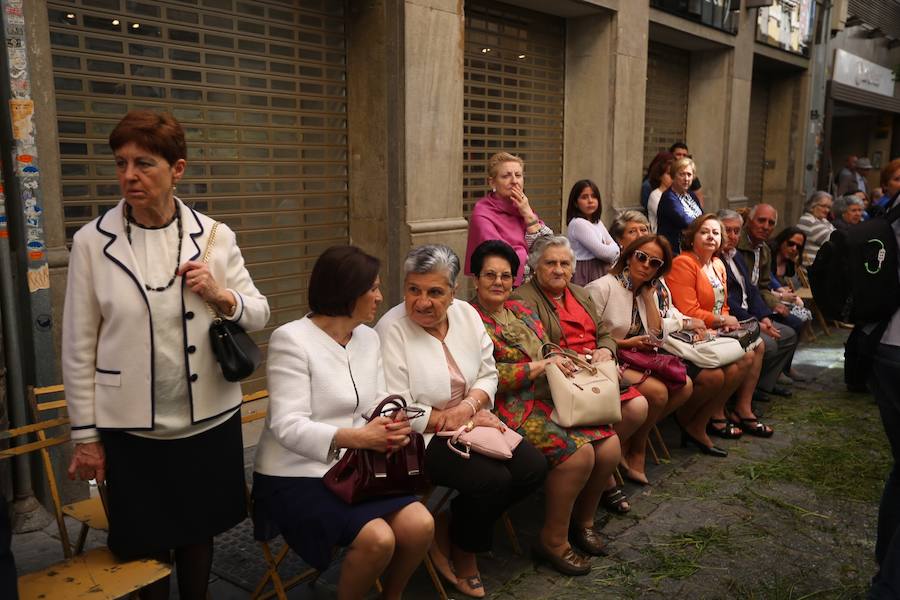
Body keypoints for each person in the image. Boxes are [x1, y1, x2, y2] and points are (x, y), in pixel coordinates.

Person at [62, 110, 271, 598]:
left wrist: (223, 296)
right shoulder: (93, 243)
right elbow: (78, 345)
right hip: (132, 429)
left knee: (199, 534)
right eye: (121, 163)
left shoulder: (215, 236)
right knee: (146, 545)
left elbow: (258, 313)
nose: (129, 176)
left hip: (208, 421)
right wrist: (86, 436)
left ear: (177, 169)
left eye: (144, 164)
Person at [252, 246, 434, 599]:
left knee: (420, 525)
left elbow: (379, 400)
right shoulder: (291, 339)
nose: (380, 297)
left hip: (354, 469)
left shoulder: (367, 337)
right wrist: (359, 437)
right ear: (347, 291)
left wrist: (393, 423)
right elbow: (287, 426)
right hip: (294, 474)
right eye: (374, 289)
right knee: (378, 538)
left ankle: (391, 595)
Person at [377, 245, 547, 598]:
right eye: (413, 290)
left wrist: (469, 407)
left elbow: (488, 374)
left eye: (435, 292)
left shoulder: (467, 315)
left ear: (454, 292)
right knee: (492, 480)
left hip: (471, 420)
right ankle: (465, 552)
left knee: (532, 467)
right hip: (418, 437)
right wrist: (443, 418)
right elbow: (393, 405)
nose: (422, 302)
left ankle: (451, 525)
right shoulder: (391, 329)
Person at [469, 240, 621, 576]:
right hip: (508, 409)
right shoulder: (469, 320)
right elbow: (481, 379)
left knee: (610, 446)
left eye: (505, 276)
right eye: (490, 275)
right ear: (475, 279)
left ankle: (582, 523)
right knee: (579, 454)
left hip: (549, 396)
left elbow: (547, 348)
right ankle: (552, 540)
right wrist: (539, 367)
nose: (498, 282)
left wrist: (563, 359)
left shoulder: (521, 310)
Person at [513, 236, 647, 514]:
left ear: (573, 268)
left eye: (564, 263)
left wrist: (606, 351)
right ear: (536, 266)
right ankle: (603, 478)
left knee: (638, 407)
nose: (558, 270)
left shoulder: (580, 292)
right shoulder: (523, 298)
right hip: (562, 382)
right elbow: (537, 347)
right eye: (550, 263)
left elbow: (604, 333)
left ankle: (599, 472)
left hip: (594, 372)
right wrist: (571, 359)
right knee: (610, 421)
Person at [586, 235, 694, 483]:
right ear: (629, 255)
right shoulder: (602, 287)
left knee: (685, 386)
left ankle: (631, 441)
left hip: (638, 358)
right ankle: (637, 448)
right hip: (608, 358)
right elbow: (589, 339)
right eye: (641, 257)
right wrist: (627, 343)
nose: (646, 265)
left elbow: (657, 338)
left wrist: (647, 296)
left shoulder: (648, 291)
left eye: (654, 263)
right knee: (657, 393)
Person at [666, 214, 769, 455]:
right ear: (692, 237)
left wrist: (725, 324)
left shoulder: (718, 264)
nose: (711, 237)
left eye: (715, 233)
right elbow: (686, 309)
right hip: (690, 332)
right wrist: (721, 320)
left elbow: (721, 304)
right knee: (723, 373)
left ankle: (701, 421)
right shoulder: (684, 263)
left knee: (747, 356)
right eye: (704, 232)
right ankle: (691, 418)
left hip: (713, 331)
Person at [718, 210, 798, 411]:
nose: (733, 236)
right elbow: (727, 300)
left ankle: (761, 386)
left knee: (789, 335)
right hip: (733, 318)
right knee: (767, 344)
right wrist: (756, 321)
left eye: (736, 231)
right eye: (728, 231)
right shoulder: (717, 259)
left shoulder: (735, 256)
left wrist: (764, 316)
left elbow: (752, 289)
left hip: (750, 314)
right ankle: (739, 396)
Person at [465, 152, 553, 286]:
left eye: (518, 175)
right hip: (501, 287)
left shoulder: (522, 207)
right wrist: (533, 260)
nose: (514, 181)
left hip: (535, 286)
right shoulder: (482, 213)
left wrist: (528, 213)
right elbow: (501, 257)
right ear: (492, 182)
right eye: (506, 176)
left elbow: (548, 247)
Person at [565, 179, 619, 285]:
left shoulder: (597, 222)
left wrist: (613, 249)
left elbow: (612, 245)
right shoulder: (578, 223)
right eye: (584, 197)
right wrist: (615, 249)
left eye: (594, 196)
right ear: (576, 202)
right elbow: (603, 253)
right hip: (586, 272)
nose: (590, 201)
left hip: (600, 270)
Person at [656, 157, 703, 254]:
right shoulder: (669, 197)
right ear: (673, 176)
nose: (686, 179)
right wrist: (704, 225)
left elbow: (702, 215)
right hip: (673, 250)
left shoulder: (691, 195)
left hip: (691, 246)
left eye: (689, 175)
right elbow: (686, 221)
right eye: (682, 174)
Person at [797, 191, 835, 267]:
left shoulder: (824, 221)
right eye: (823, 206)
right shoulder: (808, 220)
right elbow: (833, 240)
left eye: (828, 207)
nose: (827, 210)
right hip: (811, 271)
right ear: (812, 206)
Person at [647, 152, 675, 232]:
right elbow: (670, 216)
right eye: (669, 174)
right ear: (660, 176)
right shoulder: (655, 195)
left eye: (674, 174)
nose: (673, 178)